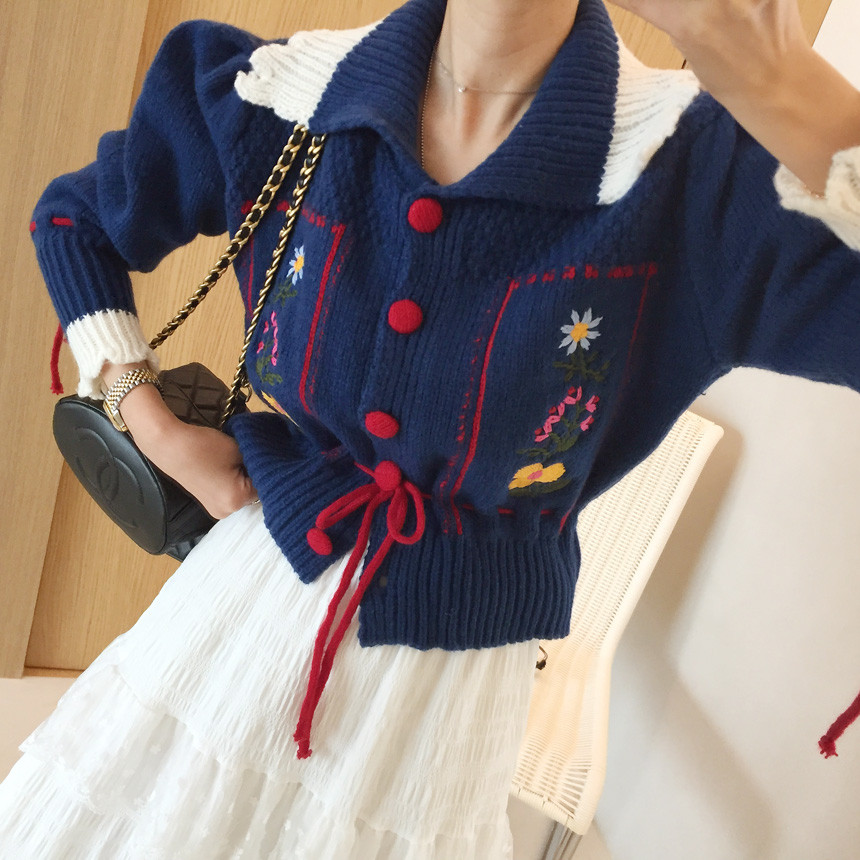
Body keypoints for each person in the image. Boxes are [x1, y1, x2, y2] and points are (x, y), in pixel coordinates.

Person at [2, 0, 859, 856]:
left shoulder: (689, 174)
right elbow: (76, 221)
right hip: (237, 615)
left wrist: (775, 73)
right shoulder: (287, 96)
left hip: (436, 702)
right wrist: (151, 424)